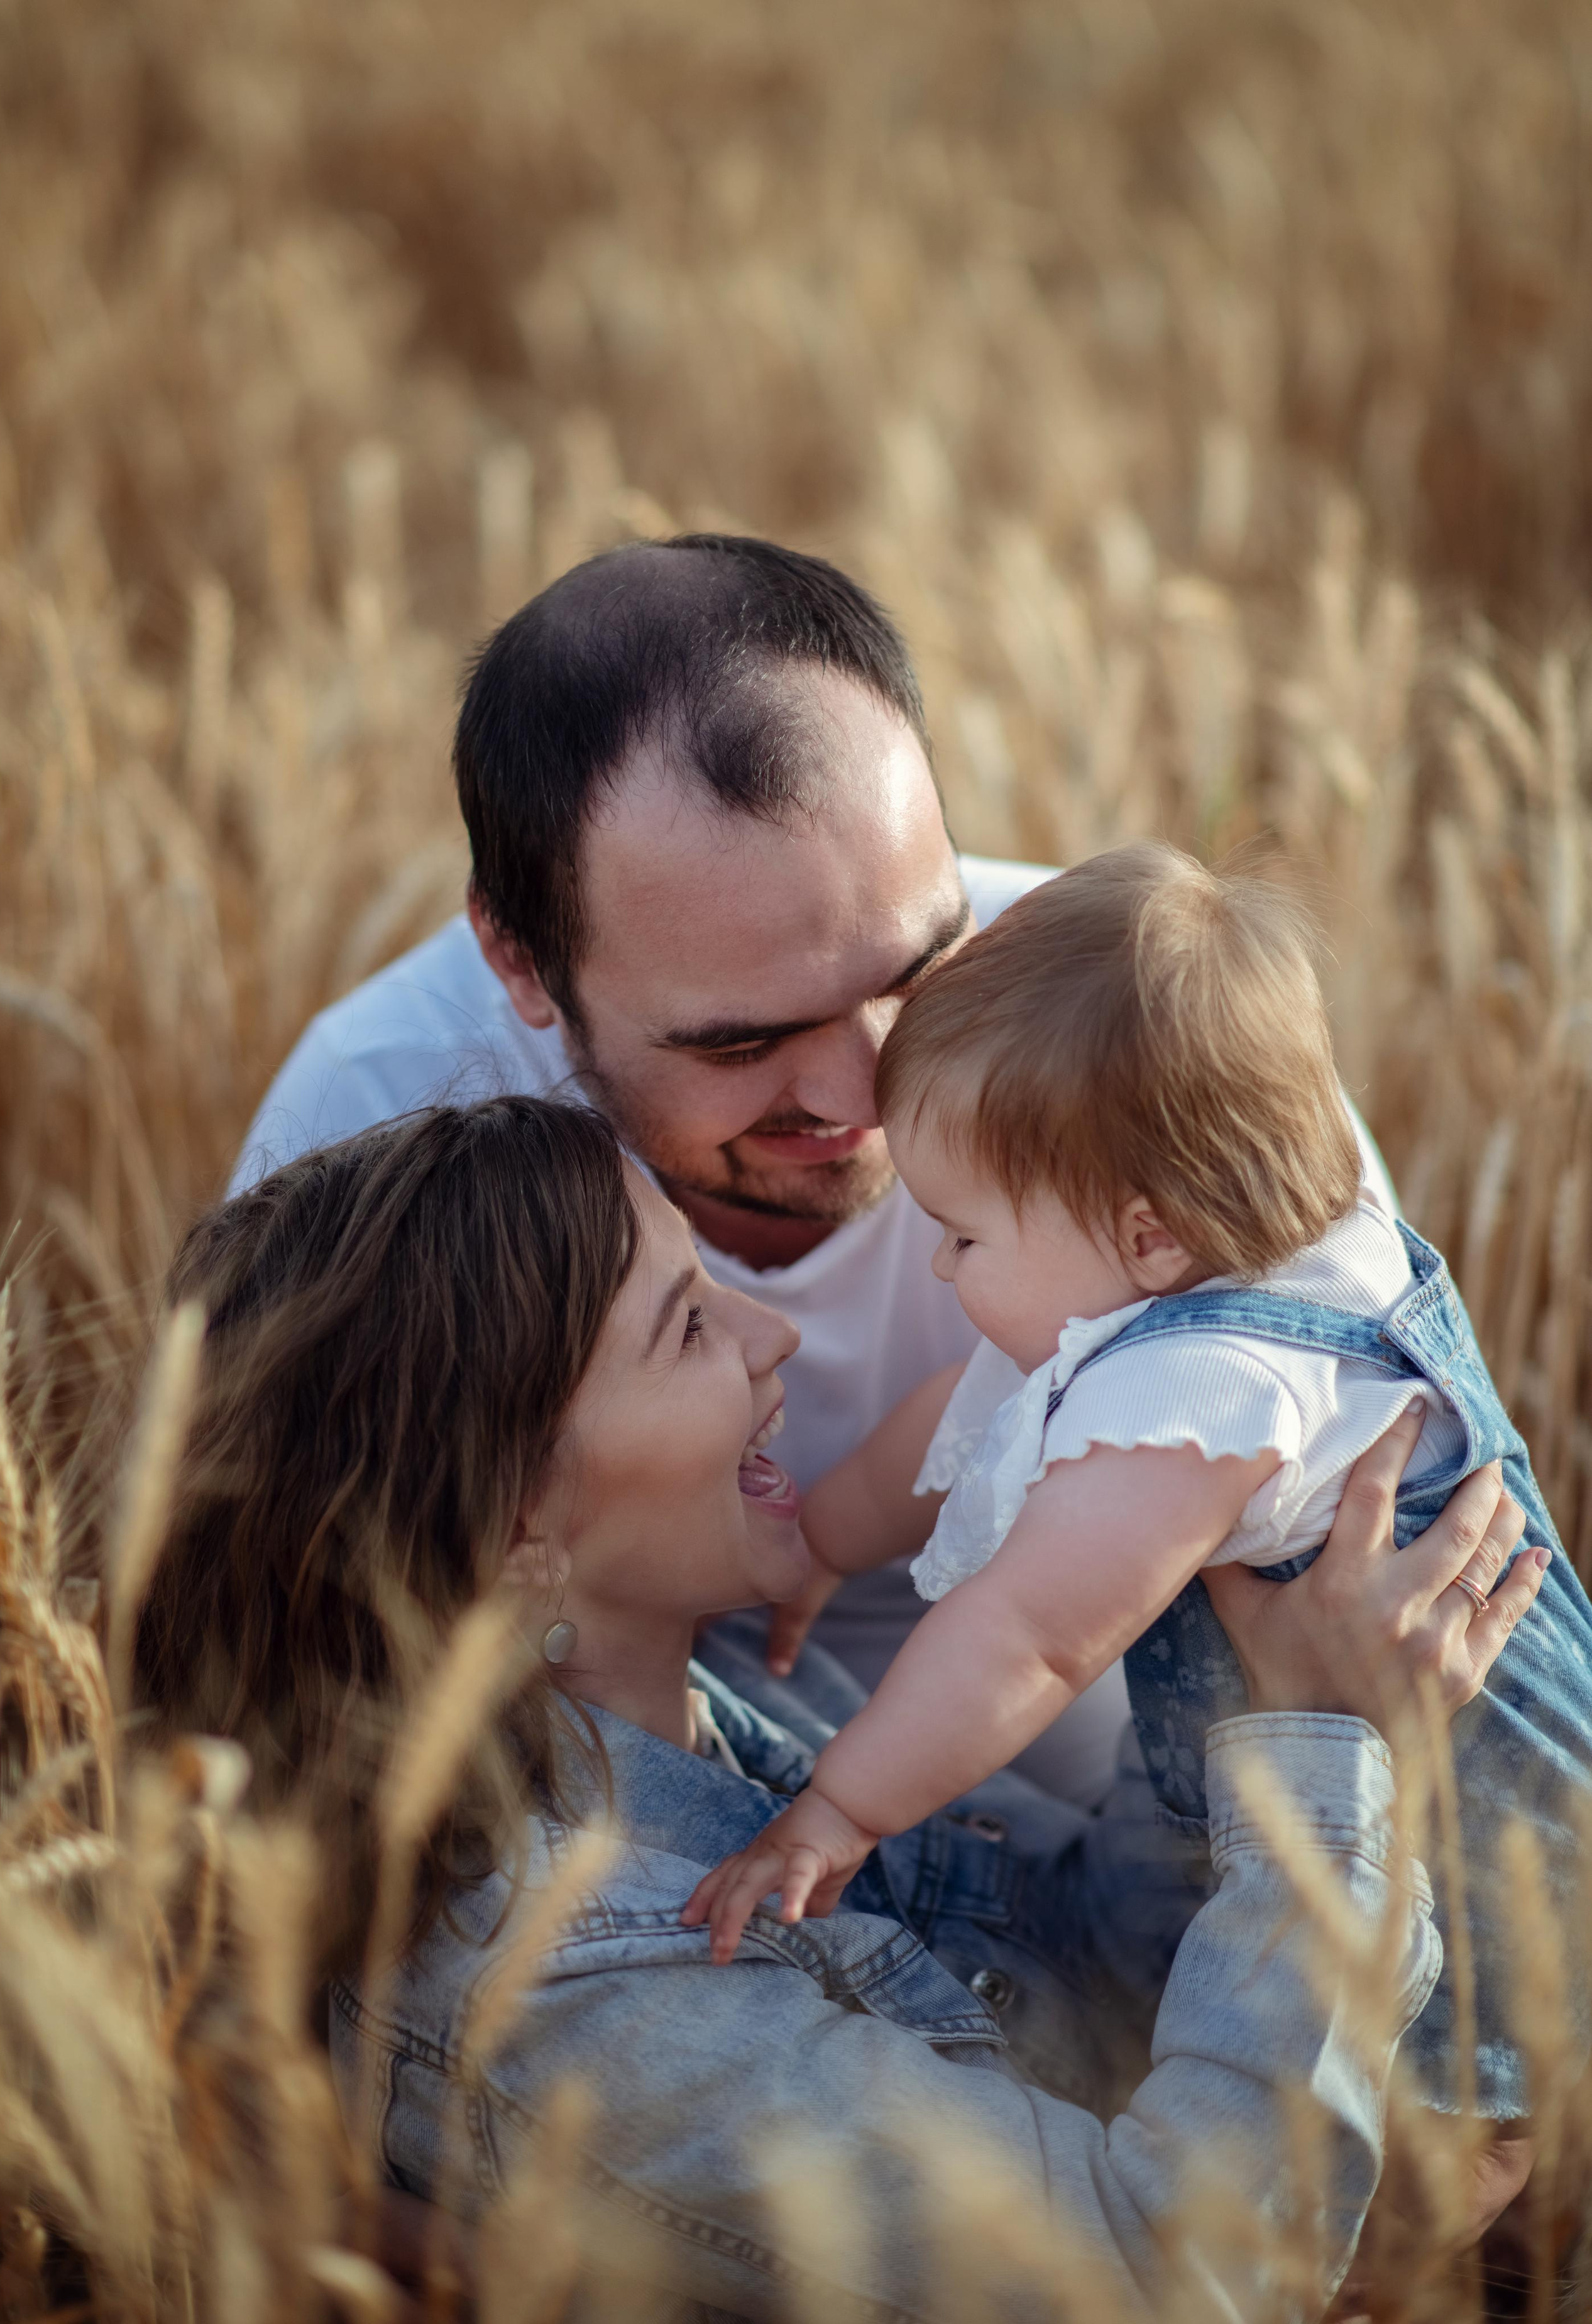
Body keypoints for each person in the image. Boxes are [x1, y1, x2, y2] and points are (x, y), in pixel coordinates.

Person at [136, 1095, 1537, 2319]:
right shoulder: (574, 1989)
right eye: (688, 1326)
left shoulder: (729, 1706)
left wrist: (1234, 1634)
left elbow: (1088, 1945)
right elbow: (1164, 2278)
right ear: (514, 1532)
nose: (774, 1334)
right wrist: (1328, 1765)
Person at [230, 536, 1395, 1807]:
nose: (867, 1093)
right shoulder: (376, 1114)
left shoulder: (1153, 1029)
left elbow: (1367, 1568)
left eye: (918, 972)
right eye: (741, 1042)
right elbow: (292, 1681)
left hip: (1154, 1814)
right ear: (518, 960)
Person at [685, 844, 1588, 2127]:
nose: (939, 1267)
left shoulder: (1206, 1393)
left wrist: (838, 1809)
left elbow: (1030, 1638)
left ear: (1149, 1232)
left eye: (963, 1234)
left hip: (1458, 1879)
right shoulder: (1229, 1269)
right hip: (1233, 1809)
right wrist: (825, 1539)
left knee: (1436, 2137)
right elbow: (963, 1421)